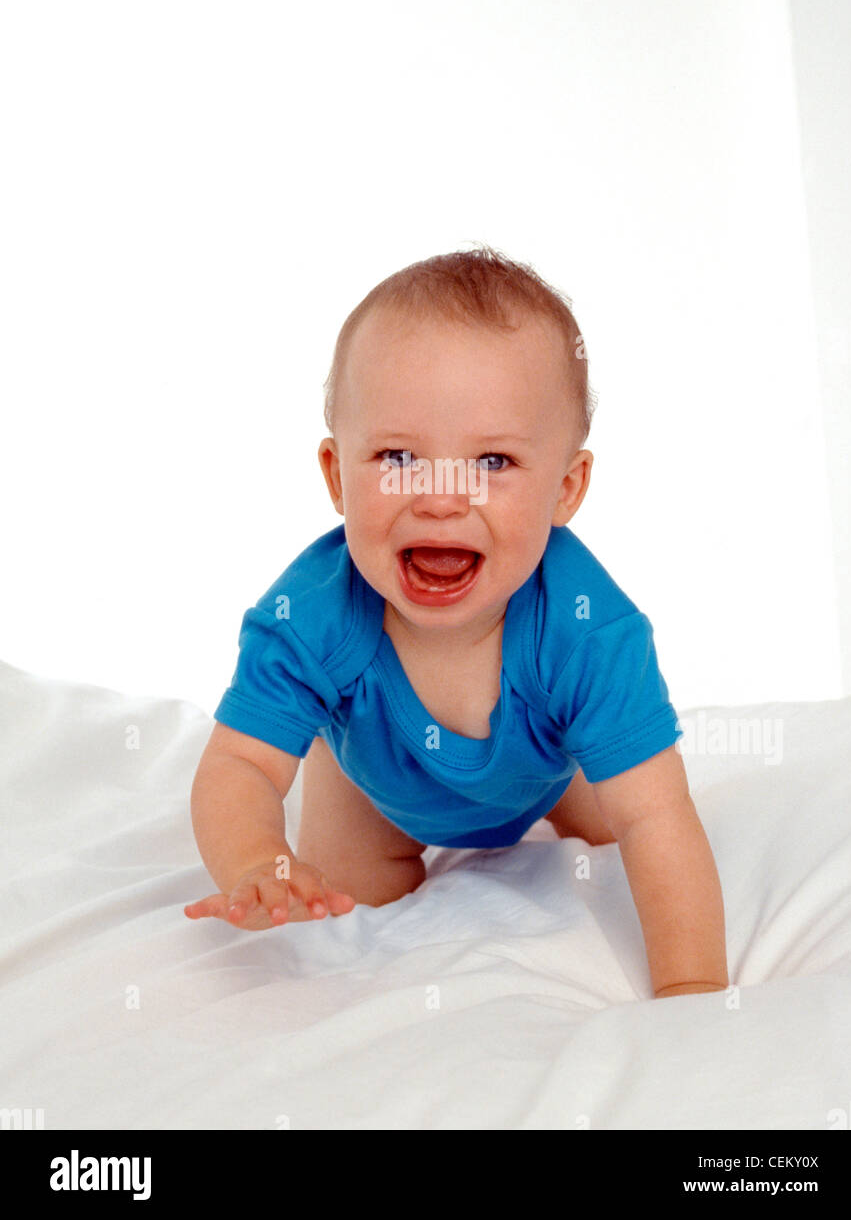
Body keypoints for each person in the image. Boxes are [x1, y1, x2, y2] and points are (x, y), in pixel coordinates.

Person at [185, 246, 728, 999]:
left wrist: (692, 989)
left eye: (494, 462)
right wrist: (256, 862)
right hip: (373, 785)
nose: (442, 499)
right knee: (346, 905)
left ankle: (568, 785)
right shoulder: (308, 615)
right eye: (399, 455)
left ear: (566, 489)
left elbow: (660, 820)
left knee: (616, 820)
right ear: (338, 476)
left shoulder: (589, 633)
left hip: (544, 770)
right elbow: (240, 766)